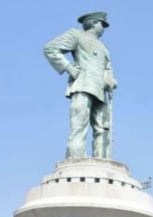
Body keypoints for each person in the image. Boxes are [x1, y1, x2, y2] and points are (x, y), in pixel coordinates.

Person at [44, 11, 118, 159]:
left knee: (103, 129)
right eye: (102, 24)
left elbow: (107, 68)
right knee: (79, 126)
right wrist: (69, 67)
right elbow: (51, 48)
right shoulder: (76, 35)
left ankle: (102, 161)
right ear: (93, 23)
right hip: (83, 85)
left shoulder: (104, 47)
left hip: (102, 91)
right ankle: (75, 160)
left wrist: (111, 79)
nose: (103, 28)